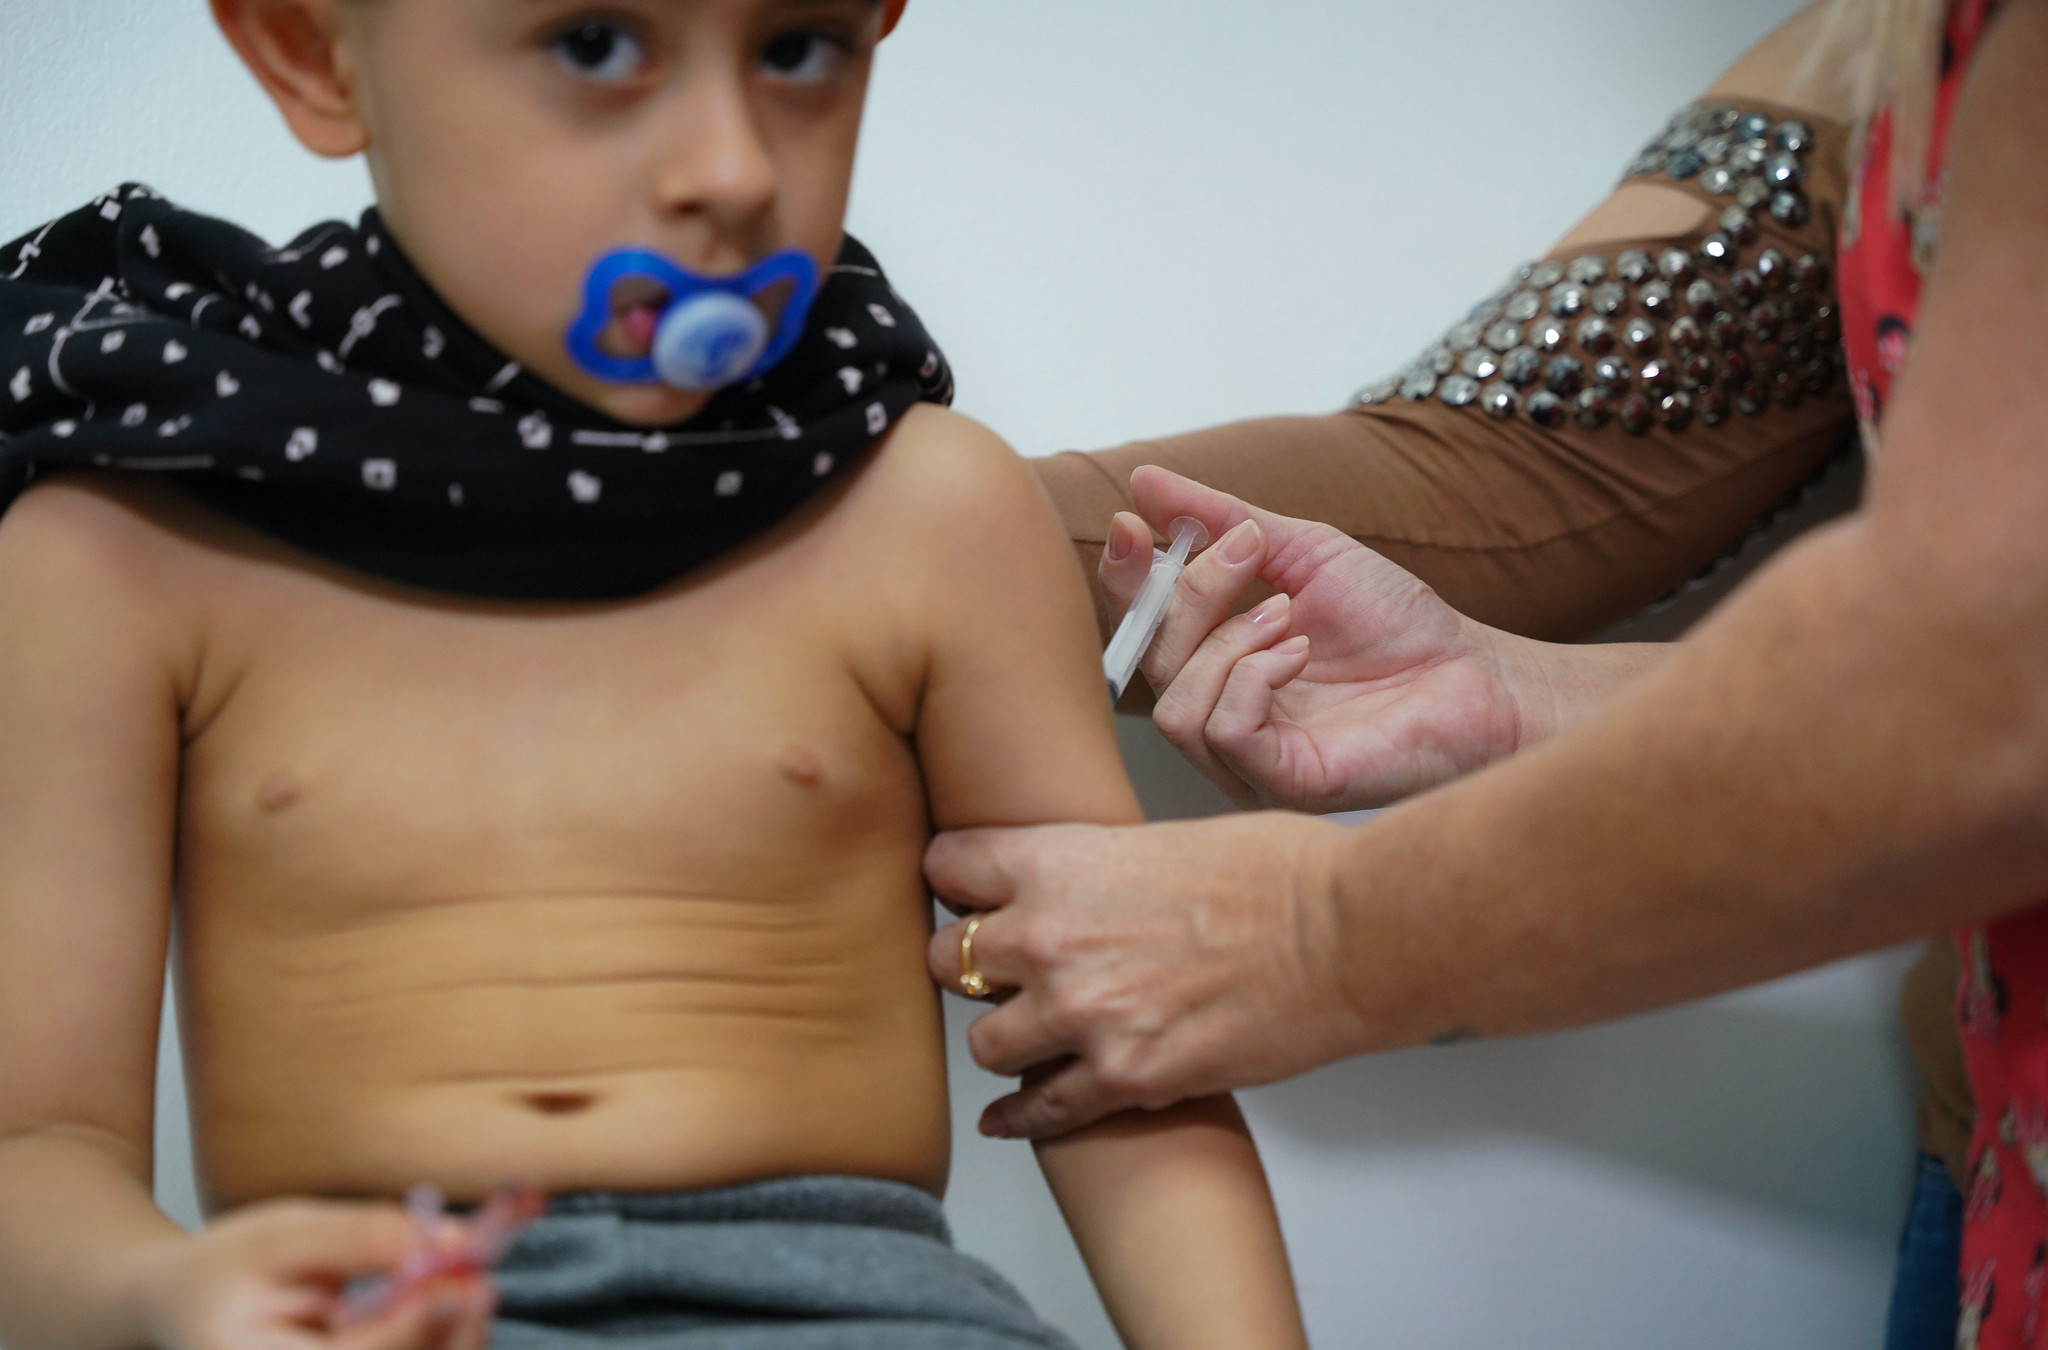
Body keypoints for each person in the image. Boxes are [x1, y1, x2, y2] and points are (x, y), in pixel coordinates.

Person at [0, 3, 1309, 1349]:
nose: (734, 169)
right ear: (313, 50)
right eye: (592, 42)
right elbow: (33, 1143)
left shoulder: (930, 513)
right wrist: (160, 1298)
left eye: (800, 47)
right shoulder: (124, 543)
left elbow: (1117, 1036)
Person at [937, 0, 2043, 1345]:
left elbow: (1990, 682)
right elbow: (1534, 457)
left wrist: (1320, 938)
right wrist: (1516, 692)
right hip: (1996, 1164)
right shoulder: (1898, 43)